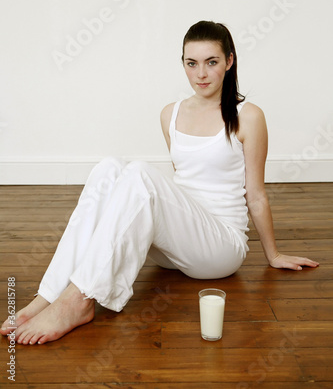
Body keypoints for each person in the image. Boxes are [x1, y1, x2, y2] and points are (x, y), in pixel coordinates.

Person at [1, 20, 319, 345]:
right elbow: (182, 185)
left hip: (220, 247)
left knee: (140, 174)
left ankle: (78, 300)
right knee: (108, 168)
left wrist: (273, 254)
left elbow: (256, 194)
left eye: (211, 62)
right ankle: (49, 295)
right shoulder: (171, 113)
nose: (201, 74)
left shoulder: (248, 116)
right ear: (183, 63)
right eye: (191, 63)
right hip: (173, 248)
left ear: (229, 61)